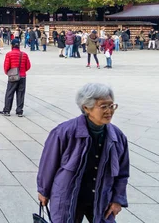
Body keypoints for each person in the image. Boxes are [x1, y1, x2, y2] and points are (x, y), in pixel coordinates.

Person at [37, 83, 129, 223]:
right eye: (103, 106)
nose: (109, 111)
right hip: (68, 196)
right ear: (86, 108)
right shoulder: (64, 132)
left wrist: (117, 200)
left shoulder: (117, 137)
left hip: (101, 198)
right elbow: (48, 164)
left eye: (111, 106)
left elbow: (122, 172)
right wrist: (44, 191)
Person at [0, 40, 31, 117]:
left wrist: (8, 73)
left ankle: (7, 110)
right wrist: (22, 71)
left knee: (9, 93)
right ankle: (19, 111)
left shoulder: (9, 54)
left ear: (12, 45)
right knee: (21, 94)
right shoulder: (24, 55)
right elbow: (28, 66)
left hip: (13, 76)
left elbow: (6, 66)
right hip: (23, 76)